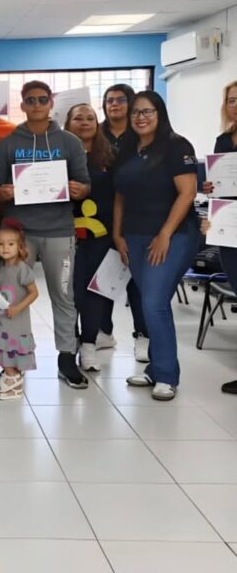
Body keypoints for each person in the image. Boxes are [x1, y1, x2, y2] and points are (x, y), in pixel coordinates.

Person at [0, 80, 91, 389]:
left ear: (50, 103)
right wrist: (4, 191)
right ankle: (12, 359)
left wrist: (78, 189)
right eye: (30, 100)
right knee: (13, 296)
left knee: (63, 295)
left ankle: (65, 358)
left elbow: (85, 184)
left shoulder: (69, 141)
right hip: (19, 234)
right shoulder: (8, 143)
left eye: (42, 99)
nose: (36, 104)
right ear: (22, 105)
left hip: (59, 231)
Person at [114, 91, 198, 402]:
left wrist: (164, 233)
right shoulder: (126, 148)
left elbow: (187, 193)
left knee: (154, 302)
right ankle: (155, 368)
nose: (141, 117)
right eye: (135, 111)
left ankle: (166, 375)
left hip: (173, 235)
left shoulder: (177, 146)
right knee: (150, 302)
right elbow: (120, 195)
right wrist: (117, 234)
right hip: (133, 235)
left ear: (159, 113)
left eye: (148, 111)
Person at [97, 84, 148, 360]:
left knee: (136, 278)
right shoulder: (97, 132)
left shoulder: (140, 133)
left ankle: (142, 334)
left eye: (120, 100)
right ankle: (104, 331)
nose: (113, 104)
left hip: (136, 214)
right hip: (100, 214)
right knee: (103, 275)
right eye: (108, 100)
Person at [64, 103, 115, 373]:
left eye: (90, 118)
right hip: (64, 234)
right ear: (67, 123)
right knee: (68, 293)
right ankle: (69, 345)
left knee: (93, 292)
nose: (84, 122)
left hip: (100, 236)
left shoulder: (110, 157)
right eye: (77, 118)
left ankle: (89, 344)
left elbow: (120, 198)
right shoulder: (56, 155)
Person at [202, 80, 237, 394]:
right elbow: (220, 187)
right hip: (229, 228)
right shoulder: (223, 140)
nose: (236, 106)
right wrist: (210, 188)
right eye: (231, 101)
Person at [0, 222, 38, 400]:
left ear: (20, 246)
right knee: (1, 350)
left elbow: (34, 293)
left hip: (16, 321)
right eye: (1, 244)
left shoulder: (22, 269)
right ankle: (13, 376)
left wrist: (17, 308)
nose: (5, 248)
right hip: (2, 319)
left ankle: (13, 378)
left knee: (8, 351)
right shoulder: (1, 267)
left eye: (11, 244)